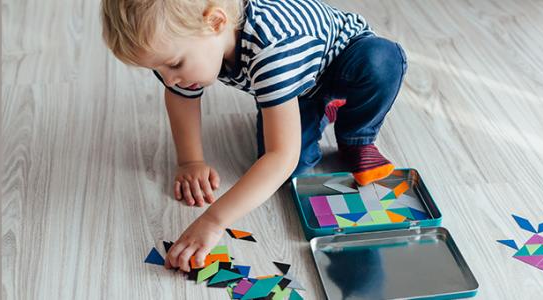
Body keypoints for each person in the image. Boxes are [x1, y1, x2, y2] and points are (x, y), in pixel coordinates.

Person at [100, 0, 407, 272]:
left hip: (346, 60)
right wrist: (190, 160)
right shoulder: (188, 42)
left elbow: (279, 157)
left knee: (381, 60)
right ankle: (321, 107)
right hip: (295, 87)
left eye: (174, 64)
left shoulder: (271, 46)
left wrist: (213, 221)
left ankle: (357, 137)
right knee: (295, 171)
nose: (168, 78)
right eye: (157, 69)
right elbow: (179, 97)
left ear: (216, 22)